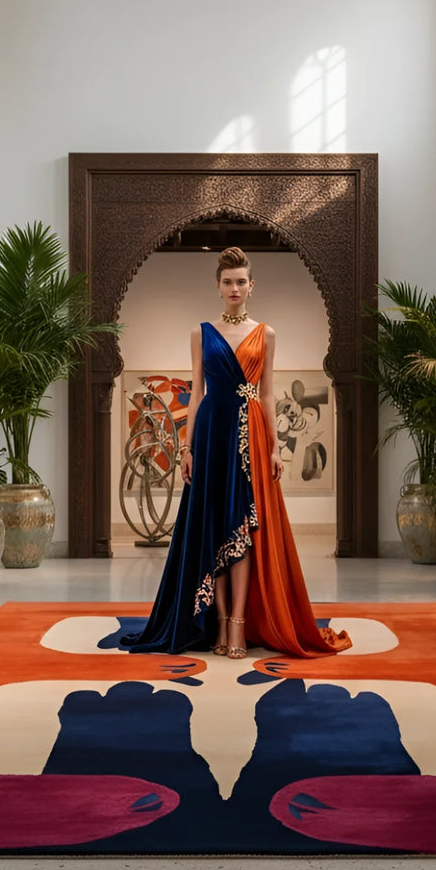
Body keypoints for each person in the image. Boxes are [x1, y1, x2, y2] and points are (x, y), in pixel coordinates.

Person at [122, 248, 350, 659]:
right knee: (213, 527)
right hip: (211, 432)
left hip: (251, 436)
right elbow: (196, 394)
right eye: (227, 281)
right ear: (218, 285)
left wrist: (275, 449)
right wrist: (188, 447)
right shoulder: (201, 332)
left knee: (244, 528)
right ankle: (222, 621)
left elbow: (266, 393)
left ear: (251, 285)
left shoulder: (267, 333)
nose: (234, 288)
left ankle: (240, 625)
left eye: (241, 281)